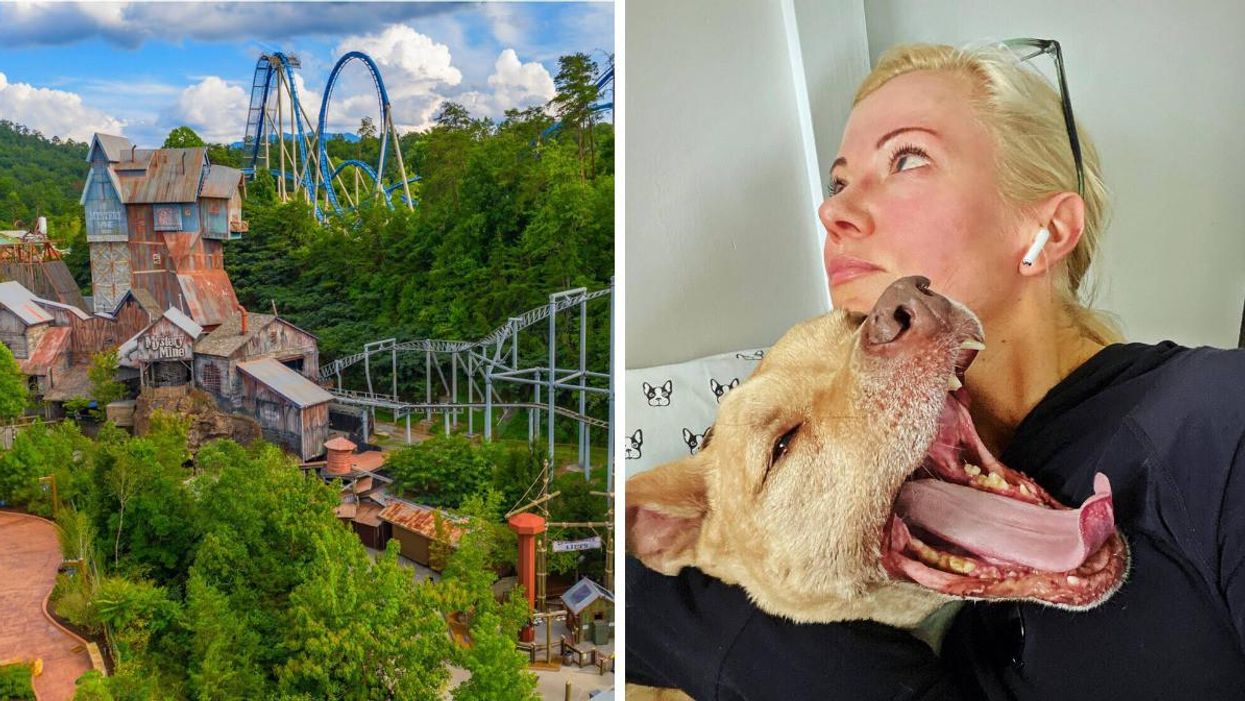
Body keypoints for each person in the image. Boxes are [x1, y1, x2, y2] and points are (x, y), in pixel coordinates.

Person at [626, 41, 1245, 700]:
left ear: (1046, 229)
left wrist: (780, 660)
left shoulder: (1212, 420)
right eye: (837, 181)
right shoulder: (922, 491)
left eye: (907, 158)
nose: (831, 210)